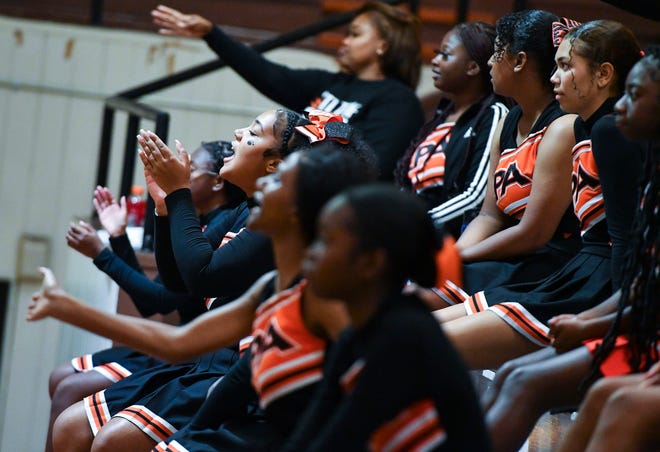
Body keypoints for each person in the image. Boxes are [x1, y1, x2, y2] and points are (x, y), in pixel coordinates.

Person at [29, 142, 378, 451]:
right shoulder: (270, 286)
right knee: (88, 429)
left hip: (270, 431)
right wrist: (65, 306)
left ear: (298, 209)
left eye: (276, 182)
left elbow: (349, 409)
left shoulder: (330, 301)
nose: (261, 190)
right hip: (227, 401)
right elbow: (180, 341)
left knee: (111, 438)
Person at [434, 20, 644, 371]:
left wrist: (612, 316)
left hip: (585, 277)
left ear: (604, 75)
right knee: (417, 332)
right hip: (574, 274)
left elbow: (623, 242)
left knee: (430, 343)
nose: (553, 78)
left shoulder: (605, 131)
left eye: (565, 67)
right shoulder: (583, 126)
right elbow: (490, 214)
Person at [482, 46, 658, 452]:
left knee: (535, 383)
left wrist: (589, 323)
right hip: (618, 307)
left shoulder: (608, 134)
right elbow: (645, 283)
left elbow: (630, 268)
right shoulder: (628, 151)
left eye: (635, 94)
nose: (622, 106)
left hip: (607, 299)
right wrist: (593, 323)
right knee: (515, 375)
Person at [44, 141, 244, 452]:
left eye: (190, 168)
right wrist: (121, 236)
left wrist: (103, 254)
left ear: (217, 182)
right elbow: (160, 294)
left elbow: (162, 299)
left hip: (192, 353)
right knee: (63, 383)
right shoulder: (202, 218)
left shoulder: (225, 219)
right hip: (183, 348)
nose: (181, 171)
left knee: (70, 392)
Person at [281, 184, 491, 451]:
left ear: (371, 263)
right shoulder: (358, 331)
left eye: (325, 240)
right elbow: (315, 423)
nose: (309, 251)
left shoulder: (405, 335)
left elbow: (341, 437)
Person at [151, 1, 425, 180]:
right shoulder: (333, 83)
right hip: (292, 189)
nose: (345, 41)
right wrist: (211, 33)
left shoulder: (398, 102)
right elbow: (269, 75)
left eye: (355, 34)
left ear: (383, 46)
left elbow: (372, 167)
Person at [429, 10, 580, 308]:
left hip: (551, 265)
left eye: (497, 51)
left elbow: (534, 233)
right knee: (417, 284)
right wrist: (451, 258)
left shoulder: (563, 127)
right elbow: (489, 216)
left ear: (520, 61)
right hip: (511, 257)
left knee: (420, 297)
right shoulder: (508, 121)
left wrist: (456, 258)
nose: (489, 62)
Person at [395, 21, 509, 238]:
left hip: (447, 235)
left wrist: (416, 223)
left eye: (445, 55)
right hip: (415, 225)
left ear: (473, 67)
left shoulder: (493, 115)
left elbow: (475, 196)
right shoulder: (441, 114)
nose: (435, 61)